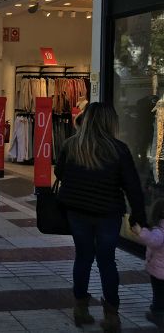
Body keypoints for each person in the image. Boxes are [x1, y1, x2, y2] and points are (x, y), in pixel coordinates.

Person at [55, 102, 147, 332]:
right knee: (107, 262)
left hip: (77, 212)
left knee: (83, 258)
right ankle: (111, 314)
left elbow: (60, 172)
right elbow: (132, 186)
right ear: (110, 122)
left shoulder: (71, 145)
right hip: (108, 213)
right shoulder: (119, 149)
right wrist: (139, 216)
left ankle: (80, 308)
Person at [132, 199, 164, 329]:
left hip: (158, 271)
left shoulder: (160, 230)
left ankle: (157, 314)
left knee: (159, 293)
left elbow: (152, 240)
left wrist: (141, 232)